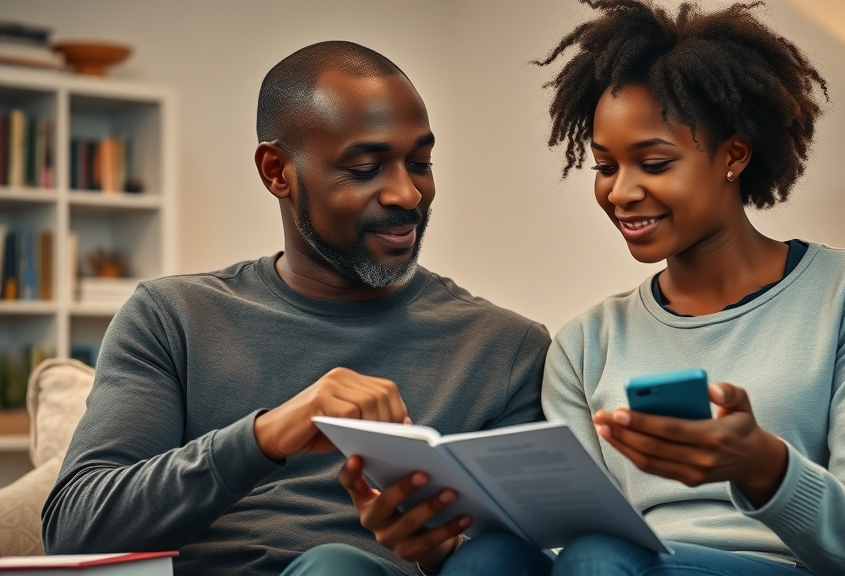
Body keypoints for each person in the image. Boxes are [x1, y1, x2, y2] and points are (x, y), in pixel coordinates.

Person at [439, 2, 845, 575]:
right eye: (605, 166)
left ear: (734, 155)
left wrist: (762, 464)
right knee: (491, 556)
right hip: (615, 564)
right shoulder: (586, 343)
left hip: (774, 565)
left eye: (654, 161)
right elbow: (565, 542)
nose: (620, 192)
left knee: (600, 556)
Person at [41, 41, 550, 576]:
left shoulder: (504, 350)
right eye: (365, 169)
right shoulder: (173, 318)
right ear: (277, 172)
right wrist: (264, 436)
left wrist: (433, 548)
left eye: (420, 163)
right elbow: (75, 530)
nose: (407, 194)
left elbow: (514, 555)